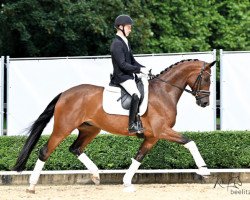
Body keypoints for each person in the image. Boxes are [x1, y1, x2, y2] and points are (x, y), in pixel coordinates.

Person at [110, 14, 147, 134]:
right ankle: (131, 124)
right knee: (136, 94)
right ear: (120, 27)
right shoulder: (116, 44)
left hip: (129, 75)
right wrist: (138, 70)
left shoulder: (125, 41)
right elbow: (122, 64)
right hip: (122, 77)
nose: (130, 30)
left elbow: (132, 61)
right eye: (129, 27)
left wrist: (143, 67)